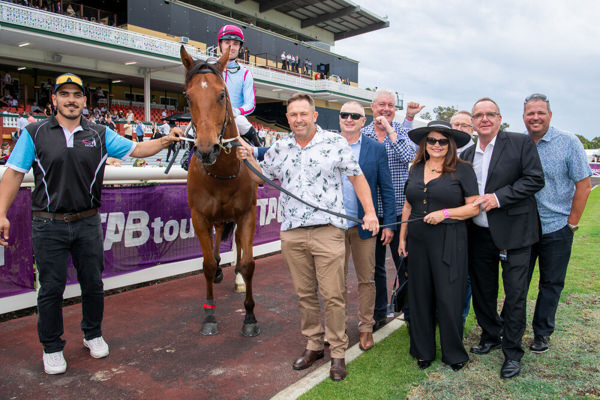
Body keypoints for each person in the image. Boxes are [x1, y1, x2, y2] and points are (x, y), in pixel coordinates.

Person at [0, 73, 181, 375]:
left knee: (94, 284)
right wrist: (1, 212)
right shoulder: (33, 132)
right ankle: (52, 347)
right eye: (64, 94)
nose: (71, 99)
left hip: (87, 222)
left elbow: (137, 150)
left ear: (84, 100)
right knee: (50, 288)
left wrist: (164, 140)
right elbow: (14, 173)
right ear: (54, 99)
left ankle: (92, 333)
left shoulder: (99, 133)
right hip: (49, 224)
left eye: (76, 95)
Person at [236, 93, 379, 381]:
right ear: (287, 118)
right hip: (292, 232)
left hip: (328, 230)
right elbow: (263, 178)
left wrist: (370, 213)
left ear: (314, 116)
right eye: (293, 115)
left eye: (303, 114)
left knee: (333, 295)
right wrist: (249, 159)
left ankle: (337, 352)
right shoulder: (280, 147)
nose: (298, 119)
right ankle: (314, 344)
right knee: (305, 295)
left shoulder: (334, 143)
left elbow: (357, 177)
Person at [460, 97, 544, 379]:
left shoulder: (520, 143)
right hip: (479, 233)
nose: (484, 119)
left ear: (499, 118)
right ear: (473, 121)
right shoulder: (468, 155)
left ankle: (512, 352)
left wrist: (498, 198)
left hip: (514, 234)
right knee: (483, 291)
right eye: (478, 115)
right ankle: (490, 335)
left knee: (516, 294)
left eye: (490, 114)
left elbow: (534, 179)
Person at [399, 120, 479, 371]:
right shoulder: (415, 168)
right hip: (418, 240)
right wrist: (402, 237)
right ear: (425, 143)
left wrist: (445, 213)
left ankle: (454, 353)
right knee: (419, 295)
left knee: (449, 297)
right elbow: (408, 206)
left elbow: (474, 207)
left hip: (449, 240)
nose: (436, 145)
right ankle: (423, 350)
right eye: (431, 140)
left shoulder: (462, 169)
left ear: (450, 144)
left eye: (442, 141)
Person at [523, 93, 592, 353]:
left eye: (541, 112)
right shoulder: (518, 143)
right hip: (524, 228)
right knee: (518, 281)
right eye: (531, 113)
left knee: (551, 284)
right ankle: (511, 327)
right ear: (524, 117)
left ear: (550, 115)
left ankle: (542, 333)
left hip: (557, 228)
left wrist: (571, 224)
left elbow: (583, 186)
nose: (536, 117)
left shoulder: (568, 142)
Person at [361, 88, 424, 329]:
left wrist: (389, 131)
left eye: (391, 105)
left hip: (399, 212)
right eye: (382, 104)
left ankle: (410, 313)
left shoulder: (401, 134)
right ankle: (378, 314)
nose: (386, 109)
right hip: (370, 212)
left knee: (405, 264)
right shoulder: (363, 134)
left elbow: (409, 155)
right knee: (374, 268)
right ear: (372, 106)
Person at [339, 101, 395, 352]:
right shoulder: (328, 146)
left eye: (355, 115)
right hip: (333, 226)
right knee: (334, 282)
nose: (349, 119)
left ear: (364, 121)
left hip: (365, 225)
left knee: (367, 279)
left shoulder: (376, 148)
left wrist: (389, 224)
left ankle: (365, 328)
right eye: (344, 115)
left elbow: (387, 188)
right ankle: (337, 329)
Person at [450, 110, 477, 324]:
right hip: (447, 221)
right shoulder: (442, 150)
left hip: (472, 221)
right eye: (456, 125)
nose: (459, 129)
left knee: (467, 273)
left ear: (473, 129)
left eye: (464, 126)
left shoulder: (476, 152)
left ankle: (461, 315)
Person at [217, 25, 260, 146]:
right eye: (227, 42)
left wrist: (236, 111)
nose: (231, 47)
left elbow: (250, 104)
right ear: (220, 44)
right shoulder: (210, 68)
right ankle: (188, 154)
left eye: (235, 43)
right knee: (191, 127)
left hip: (235, 117)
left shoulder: (246, 73)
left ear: (240, 47)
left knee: (243, 123)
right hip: (212, 116)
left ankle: (259, 154)